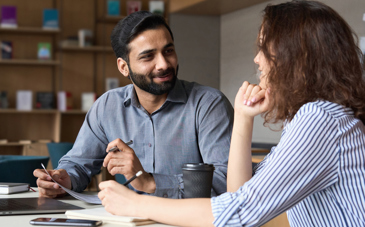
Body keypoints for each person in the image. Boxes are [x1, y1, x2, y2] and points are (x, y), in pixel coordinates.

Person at [97, 1, 365, 226]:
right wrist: (244, 117)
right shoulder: (317, 117)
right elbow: (239, 193)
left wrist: (137, 203)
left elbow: (238, 213)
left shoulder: (321, 120)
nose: (256, 60)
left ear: (293, 55)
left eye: (263, 48)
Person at [33, 11, 234, 199]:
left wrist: (150, 183)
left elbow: (228, 181)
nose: (164, 64)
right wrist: (63, 179)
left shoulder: (208, 104)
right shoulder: (108, 106)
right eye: (148, 56)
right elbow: (78, 163)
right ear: (124, 67)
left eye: (168, 51)